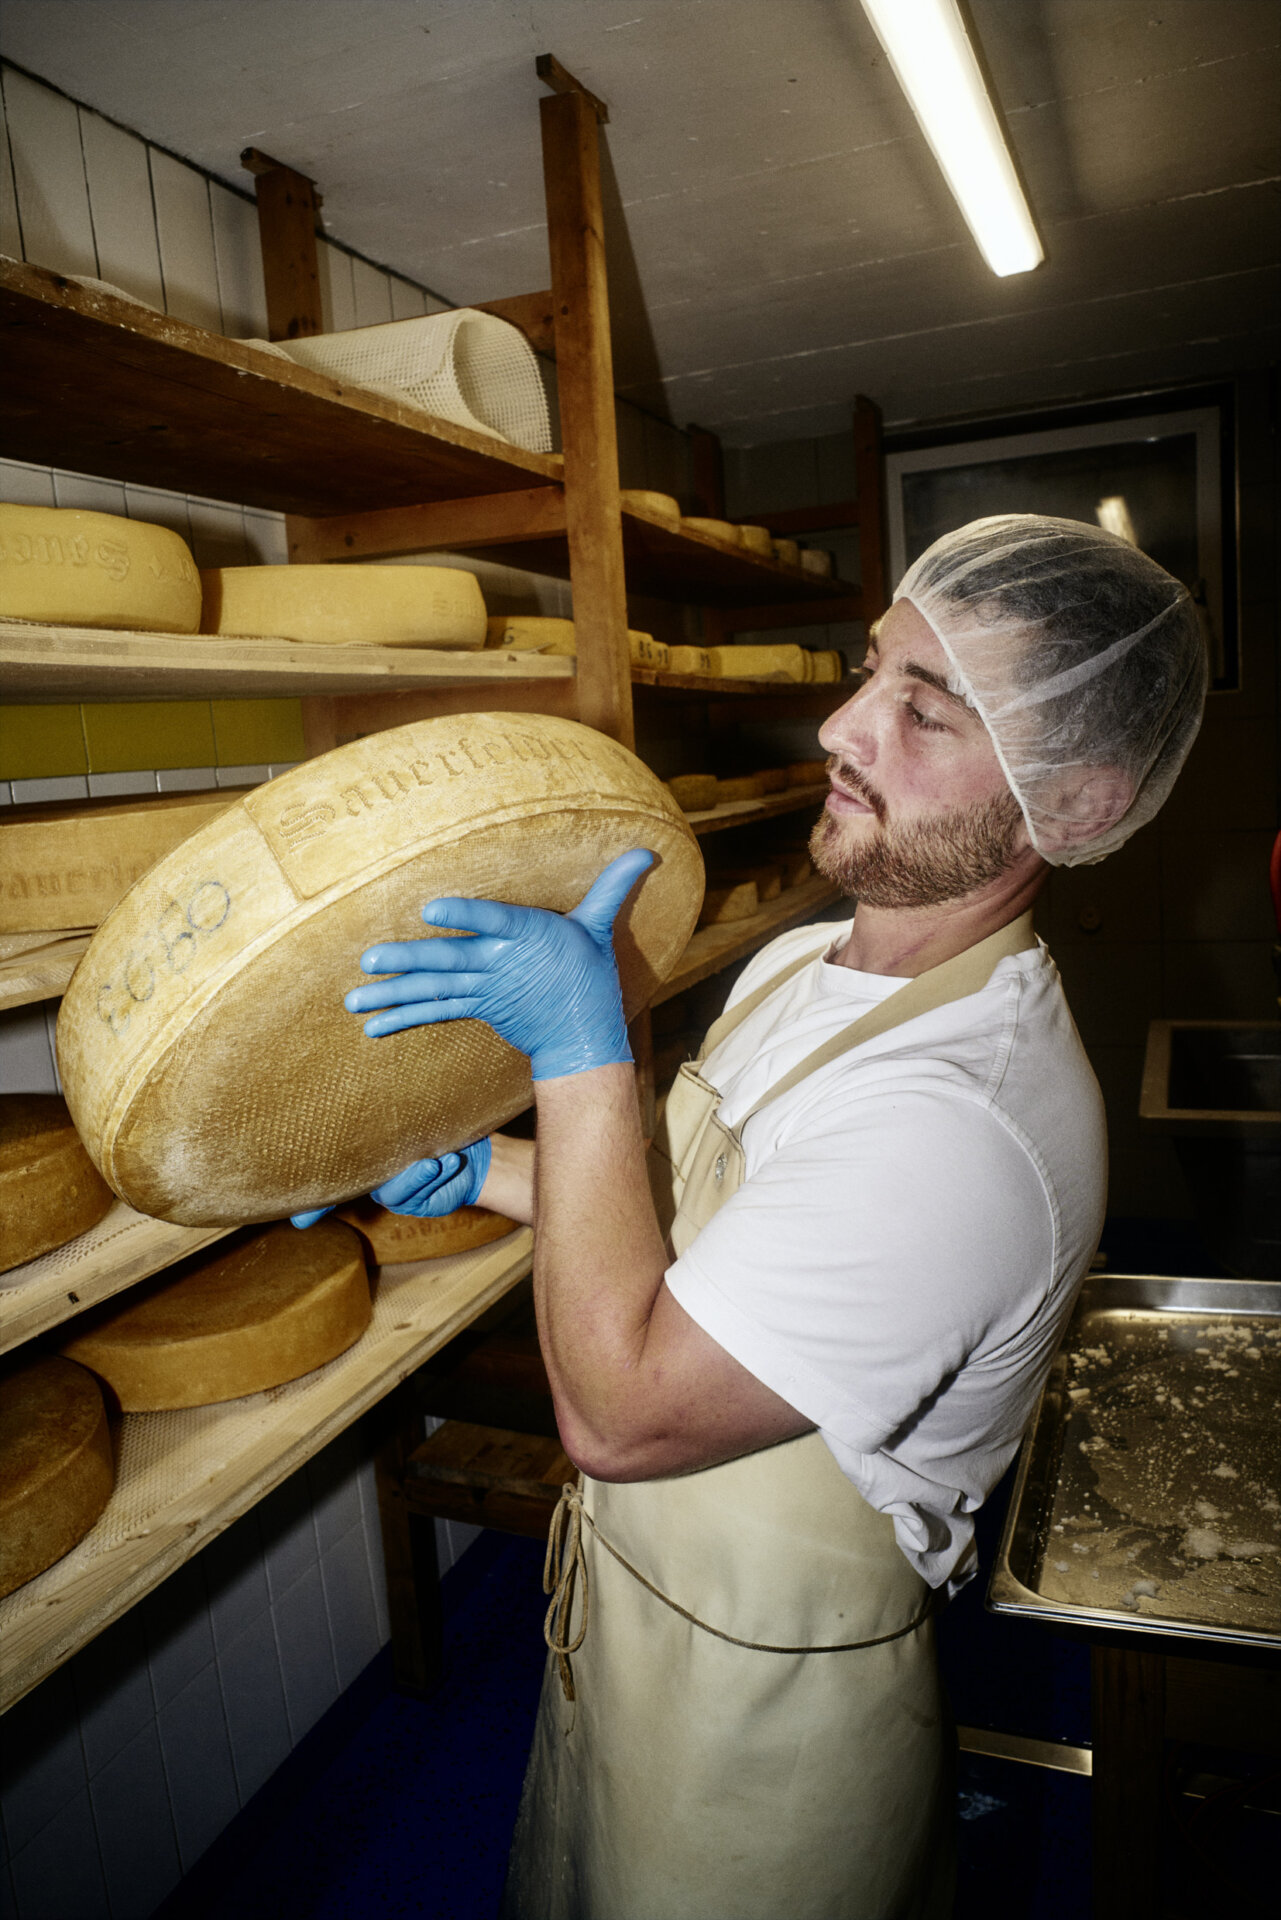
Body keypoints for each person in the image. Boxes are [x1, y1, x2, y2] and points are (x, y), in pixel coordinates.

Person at [302, 516, 1207, 1919]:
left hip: (770, 1717)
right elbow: (694, 1242)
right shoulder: (802, 956)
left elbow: (624, 1406)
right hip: (628, 1618)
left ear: (1072, 802)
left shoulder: (956, 1123)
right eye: (869, 672)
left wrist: (579, 1053)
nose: (842, 726)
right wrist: (489, 1172)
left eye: (924, 709)